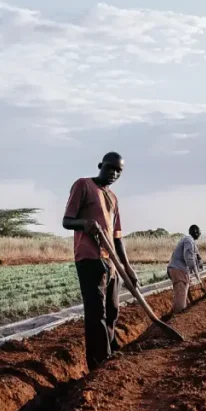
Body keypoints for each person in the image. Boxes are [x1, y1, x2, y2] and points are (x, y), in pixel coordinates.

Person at [62, 152, 140, 370]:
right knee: (96, 313)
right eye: (110, 168)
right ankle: (99, 362)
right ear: (100, 166)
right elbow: (66, 221)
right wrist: (86, 223)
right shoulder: (83, 185)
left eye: (118, 170)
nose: (114, 173)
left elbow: (117, 238)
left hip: (111, 262)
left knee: (112, 310)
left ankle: (111, 351)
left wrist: (128, 269)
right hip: (89, 259)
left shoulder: (113, 198)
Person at [167, 225, 202, 313]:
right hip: (178, 270)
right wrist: (197, 276)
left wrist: (199, 261)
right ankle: (177, 319)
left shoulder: (190, 241)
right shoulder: (188, 240)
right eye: (199, 231)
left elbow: (196, 256)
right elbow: (189, 257)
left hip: (178, 269)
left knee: (182, 296)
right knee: (181, 295)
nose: (200, 233)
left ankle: (180, 315)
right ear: (195, 232)